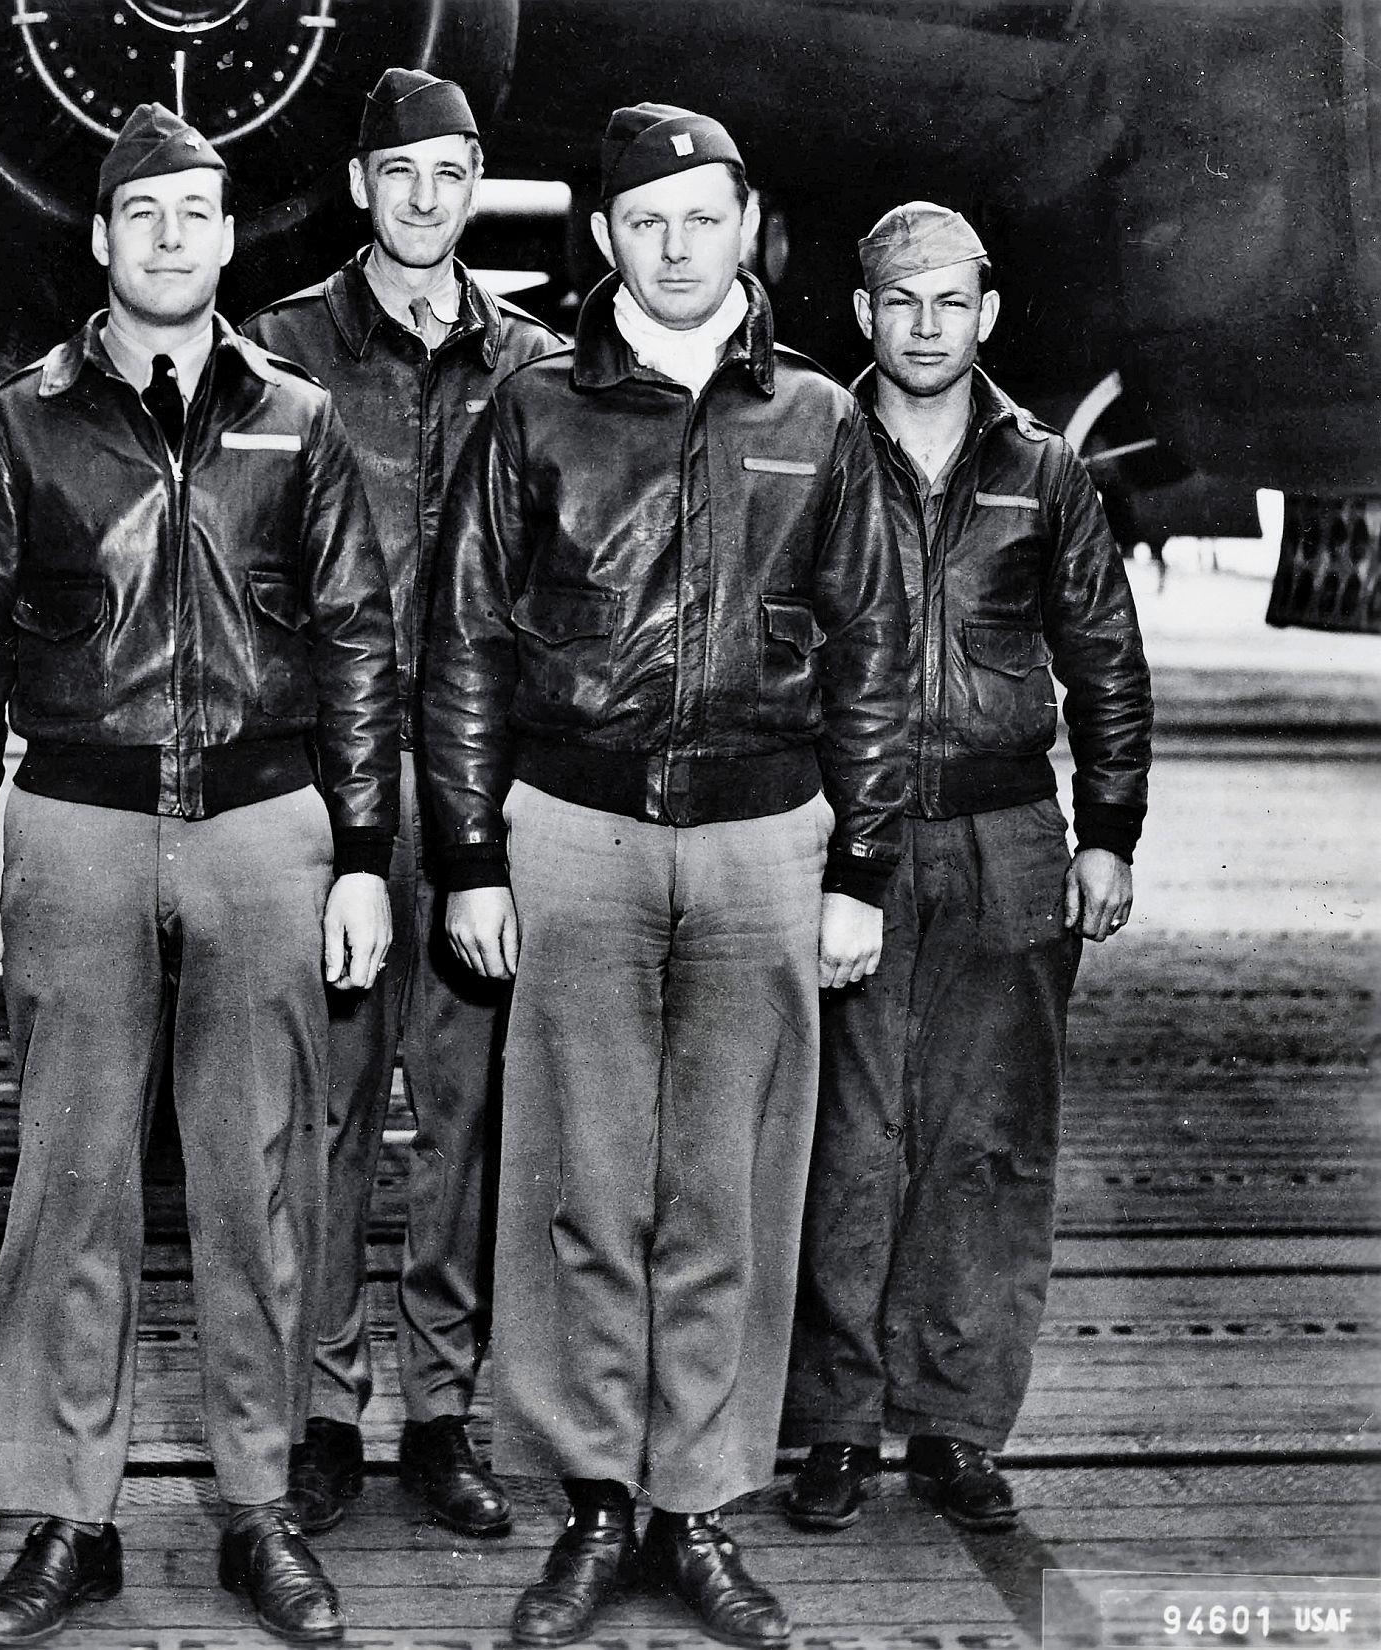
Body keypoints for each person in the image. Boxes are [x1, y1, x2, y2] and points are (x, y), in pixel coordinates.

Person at [0, 105, 398, 1648]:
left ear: (231, 237)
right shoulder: (22, 422)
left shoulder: (298, 419)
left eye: (197, 213)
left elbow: (359, 641)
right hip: (77, 820)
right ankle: (70, 1513)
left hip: (264, 824)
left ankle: (260, 1506)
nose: (172, 239)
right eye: (145, 215)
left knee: (259, 1177)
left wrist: (364, 852)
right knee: (71, 1177)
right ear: (103, 238)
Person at [423, 104, 909, 1649]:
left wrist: (862, 864)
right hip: (576, 831)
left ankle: (695, 1502)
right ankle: (593, 1501)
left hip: (767, 841)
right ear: (604, 238)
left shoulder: (821, 415)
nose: (677, 246)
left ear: (749, 226)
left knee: (729, 1187)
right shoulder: (534, 408)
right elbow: (465, 641)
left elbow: (877, 654)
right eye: (646, 220)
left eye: (704, 217)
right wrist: (470, 854)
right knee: (579, 1182)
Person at [781, 203, 1153, 1534]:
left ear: (987, 313)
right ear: (863, 314)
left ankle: (954, 1422)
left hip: (1006, 839)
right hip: (850, 840)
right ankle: (832, 1426)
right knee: (840, 1136)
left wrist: (1106, 832)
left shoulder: (1042, 471)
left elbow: (1104, 660)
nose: (926, 325)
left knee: (988, 1142)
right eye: (901, 300)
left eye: (950, 301)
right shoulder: (810, 448)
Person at [243, 67, 563, 1541]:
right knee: (321, 1107)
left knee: (466, 1114)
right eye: (400, 174)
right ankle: (321, 1410)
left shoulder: (539, 364)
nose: (426, 200)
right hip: (333, 792)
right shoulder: (281, 353)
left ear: (475, 185)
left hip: (484, 792)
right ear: (359, 187)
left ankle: (441, 1411)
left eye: (451, 175)